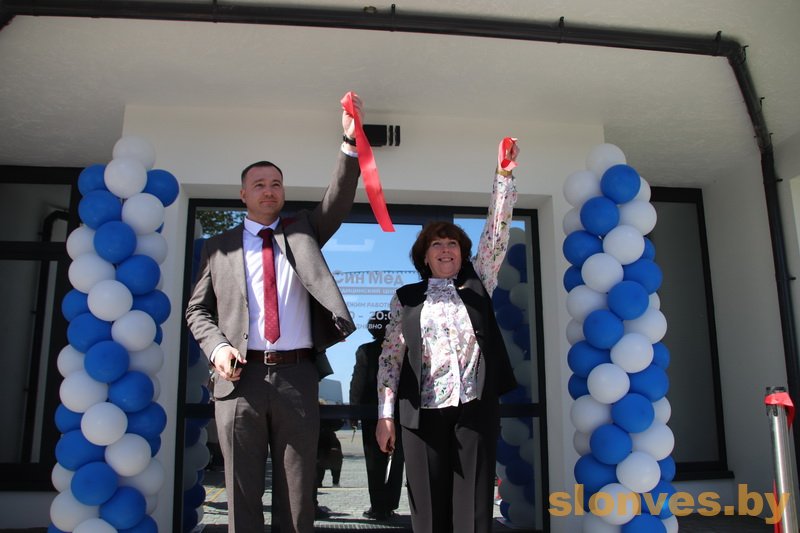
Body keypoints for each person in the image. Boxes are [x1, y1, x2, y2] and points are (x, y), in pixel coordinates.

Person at [185, 93, 364, 533]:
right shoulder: (219, 247)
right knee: (242, 491)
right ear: (243, 194)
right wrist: (218, 348)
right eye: (260, 184)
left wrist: (349, 144)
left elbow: (337, 200)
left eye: (277, 184)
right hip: (239, 381)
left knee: (298, 495)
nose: (269, 190)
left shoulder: (304, 230)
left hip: (297, 378)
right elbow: (197, 310)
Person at [375, 140, 520, 533]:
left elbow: (496, 234)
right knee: (427, 511)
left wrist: (503, 176)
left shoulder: (478, 282)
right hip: (420, 416)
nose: (444, 249)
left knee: (473, 511)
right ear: (424, 256)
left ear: (463, 253)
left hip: (473, 410)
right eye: (436, 244)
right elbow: (390, 360)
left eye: (452, 243)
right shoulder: (405, 298)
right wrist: (385, 416)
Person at [349, 310, 405, 521]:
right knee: (397, 461)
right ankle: (390, 504)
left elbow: (358, 382)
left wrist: (354, 410)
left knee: (374, 462)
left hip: (371, 413)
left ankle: (377, 506)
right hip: (398, 412)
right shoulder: (402, 349)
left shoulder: (365, 350)